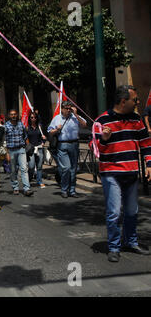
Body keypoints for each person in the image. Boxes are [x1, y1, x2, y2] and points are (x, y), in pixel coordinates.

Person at [93, 85, 151, 262]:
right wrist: (104, 139)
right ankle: (114, 247)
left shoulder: (136, 119)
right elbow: (95, 150)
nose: (138, 102)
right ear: (124, 101)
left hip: (132, 172)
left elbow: (146, 142)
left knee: (132, 211)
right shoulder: (101, 121)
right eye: (135, 99)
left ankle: (131, 242)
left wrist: (149, 163)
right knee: (114, 212)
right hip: (111, 173)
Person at [48, 101, 87, 198]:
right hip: (62, 145)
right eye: (67, 108)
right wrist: (57, 129)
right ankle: (64, 189)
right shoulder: (57, 119)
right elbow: (50, 131)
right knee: (66, 168)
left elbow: (84, 124)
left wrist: (76, 114)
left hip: (74, 144)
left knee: (73, 169)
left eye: (70, 108)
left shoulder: (74, 117)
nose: (69, 110)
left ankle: (72, 190)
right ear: (62, 109)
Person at [5, 109, 33, 196]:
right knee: (13, 170)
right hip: (11, 150)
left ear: (17, 115)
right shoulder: (6, 126)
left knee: (24, 169)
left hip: (21, 149)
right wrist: (6, 153)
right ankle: (15, 187)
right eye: (11, 114)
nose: (13, 116)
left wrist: (29, 146)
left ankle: (26, 188)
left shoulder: (21, 124)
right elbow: (4, 140)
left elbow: (25, 136)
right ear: (9, 116)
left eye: (15, 114)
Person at [27, 112, 47, 188]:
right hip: (31, 149)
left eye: (35, 117)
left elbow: (44, 136)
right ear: (29, 118)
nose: (33, 119)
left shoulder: (40, 126)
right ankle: (28, 179)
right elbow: (25, 138)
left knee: (39, 166)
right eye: (32, 117)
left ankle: (39, 181)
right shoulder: (27, 127)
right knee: (31, 166)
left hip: (39, 148)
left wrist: (43, 142)